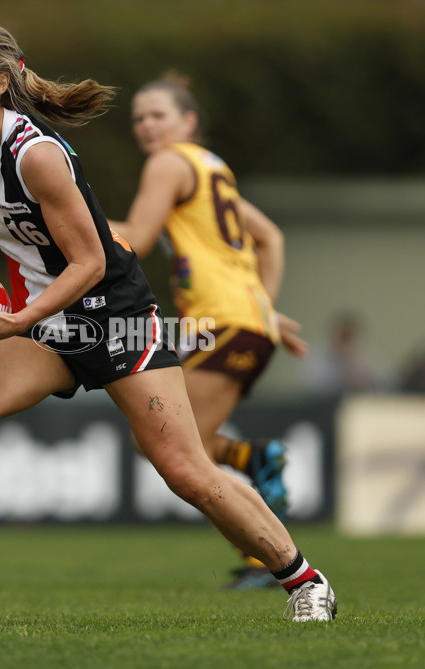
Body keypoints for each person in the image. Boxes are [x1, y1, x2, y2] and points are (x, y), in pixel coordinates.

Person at [0, 22, 336, 626]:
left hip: (112, 316)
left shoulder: (37, 156)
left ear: (1, 80)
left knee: (185, 471)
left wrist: (16, 317)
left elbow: (92, 261)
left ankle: (306, 581)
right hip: (46, 323)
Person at [108, 73, 308, 589]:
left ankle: (269, 560)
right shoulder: (208, 168)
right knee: (164, 442)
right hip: (229, 322)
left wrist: (63, 215)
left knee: (177, 450)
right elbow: (270, 238)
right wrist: (264, 307)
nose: (148, 127)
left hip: (222, 323)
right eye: (139, 118)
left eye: (159, 116)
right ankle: (253, 460)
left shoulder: (169, 162)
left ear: (188, 122)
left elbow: (137, 238)